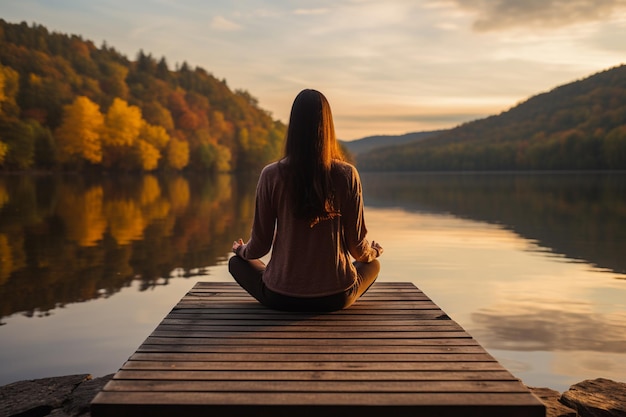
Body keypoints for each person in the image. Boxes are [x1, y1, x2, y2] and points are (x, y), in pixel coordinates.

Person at [229, 89, 383, 312]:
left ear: (293, 127)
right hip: (337, 296)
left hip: (280, 296)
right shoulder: (347, 175)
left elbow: (259, 247)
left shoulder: (271, 175)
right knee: (373, 265)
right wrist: (374, 252)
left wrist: (240, 250)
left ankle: (279, 278)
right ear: (328, 126)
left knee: (236, 264)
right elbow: (358, 251)